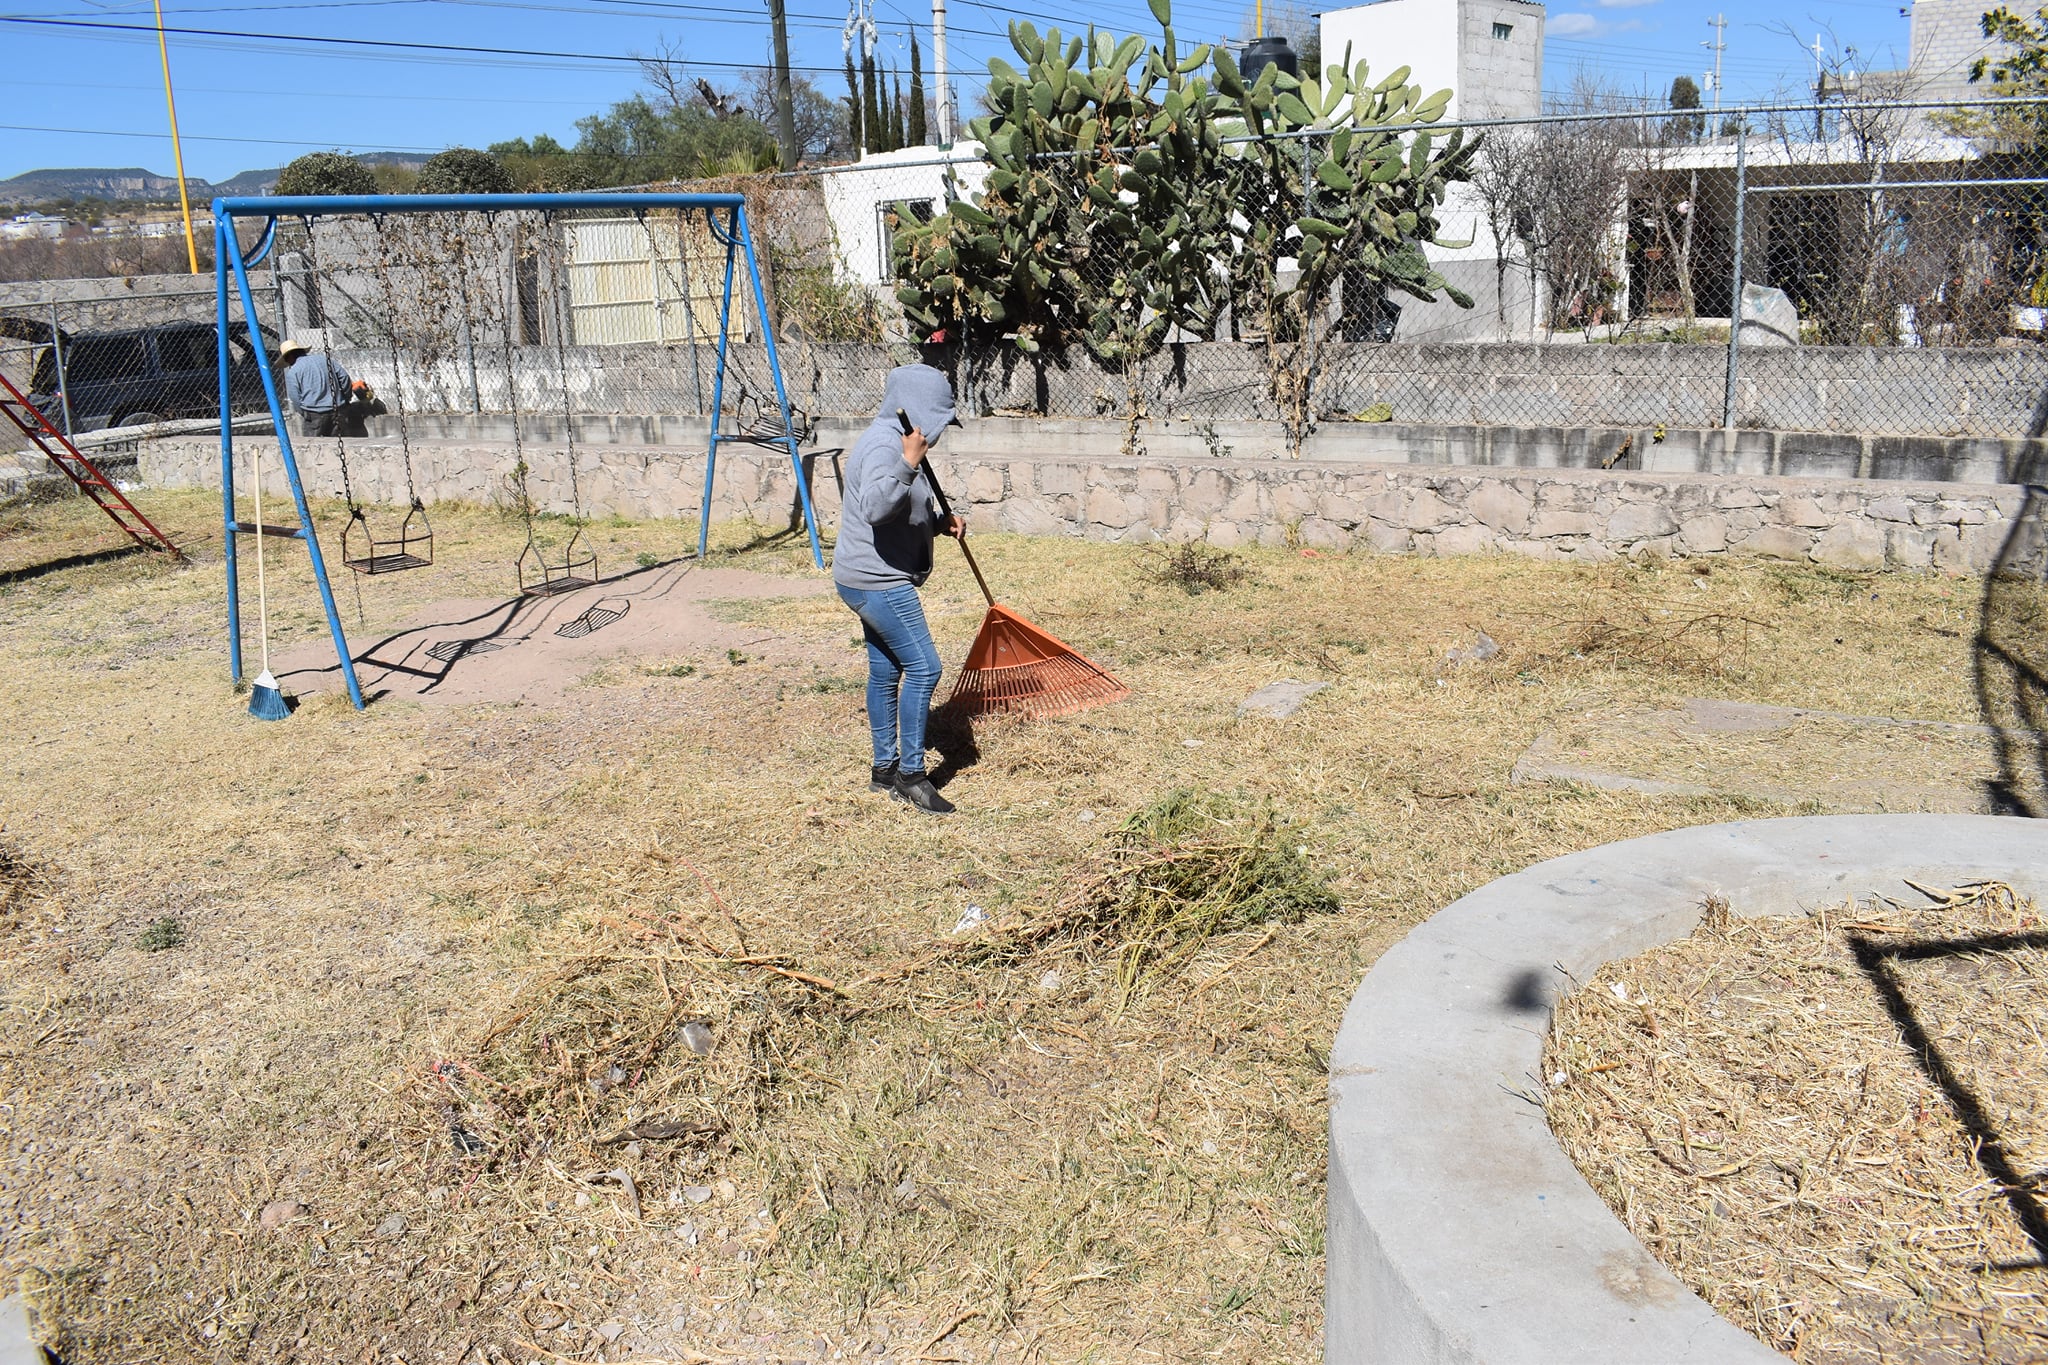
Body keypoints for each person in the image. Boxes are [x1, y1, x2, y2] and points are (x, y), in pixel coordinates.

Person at [834, 363, 966, 816]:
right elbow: (874, 507)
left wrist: (937, 524)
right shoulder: (884, 446)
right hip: (878, 581)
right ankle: (912, 777)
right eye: (940, 420)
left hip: (866, 577)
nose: (942, 433)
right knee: (926, 669)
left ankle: (883, 770)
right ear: (918, 411)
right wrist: (908, 461)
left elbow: (898, 511)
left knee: (888, 672)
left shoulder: (902, 443)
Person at [279, 338, 367, 437]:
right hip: (337, 409)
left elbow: (295, 397)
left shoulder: (293, 372)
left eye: (286, 359)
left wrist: (304, 413)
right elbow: (344, 377)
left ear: (290, 356)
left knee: (313, 446)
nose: (288, 363)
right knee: (339, 443)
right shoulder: (325, 360)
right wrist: (345, 398)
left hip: (314, 415)